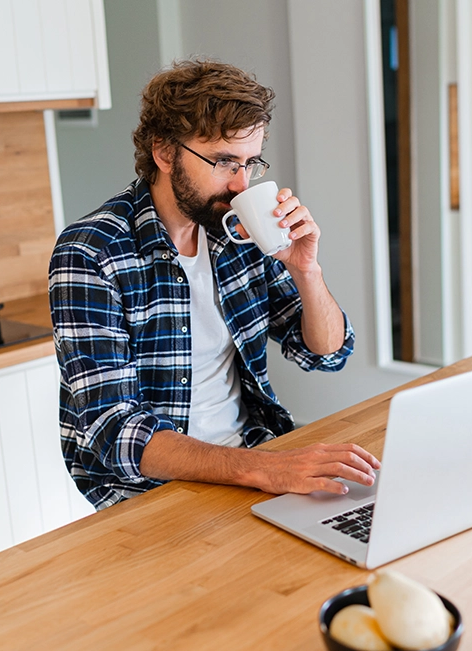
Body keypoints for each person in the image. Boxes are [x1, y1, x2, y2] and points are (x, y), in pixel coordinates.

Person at [49, 59, 380, 510]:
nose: (241, 184)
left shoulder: (236, 231)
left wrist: (307, 270)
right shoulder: (91, 252)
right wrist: (265, 469)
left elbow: (326, 354)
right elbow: (117, 433)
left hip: (252, 454)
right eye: (224, 162)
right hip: (151, 492)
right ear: (164, 152)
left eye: (250, 164)